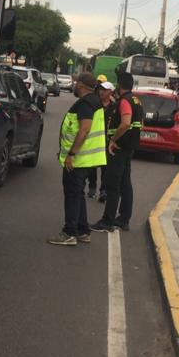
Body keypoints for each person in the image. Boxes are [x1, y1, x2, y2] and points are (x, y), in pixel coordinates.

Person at [49, 72, 107, 246]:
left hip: (79, 159)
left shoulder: (86, 103)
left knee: (72, 195)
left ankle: (69, 233)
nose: (74, 85)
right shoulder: (94, 101)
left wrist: (71, 154)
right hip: (87, 158)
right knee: (78, 193)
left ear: (81, 85)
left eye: (75, 83)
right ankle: (82, 231)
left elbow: (84, 129)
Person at [93, 72, 143, 233]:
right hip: (129, 147)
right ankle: (123, 219)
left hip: (119, 148)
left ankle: (107, 220)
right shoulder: (136, 100)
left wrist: (113, 140)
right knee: (125, 184)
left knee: (112, 184)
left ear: (119, 85)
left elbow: (126, 123)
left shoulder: (125, 101)